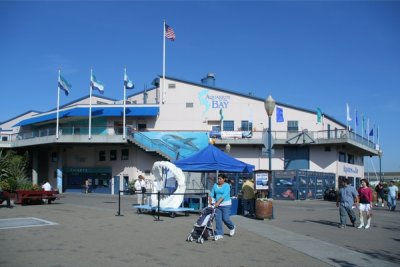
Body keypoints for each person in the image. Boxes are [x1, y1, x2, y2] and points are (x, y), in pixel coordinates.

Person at [208, 174, 236, 241]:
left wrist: (218, 202)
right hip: (218, 206)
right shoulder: (215, 185)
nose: (219, 180)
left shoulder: (227, 186)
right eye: (218, 178)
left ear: (224, 179)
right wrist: (210, 200)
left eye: (220, 179)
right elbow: (212, 193)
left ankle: (232, 227)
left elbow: (224, 195)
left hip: (226, 205)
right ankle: (219, 233)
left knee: (225, 218)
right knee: (218, 219)